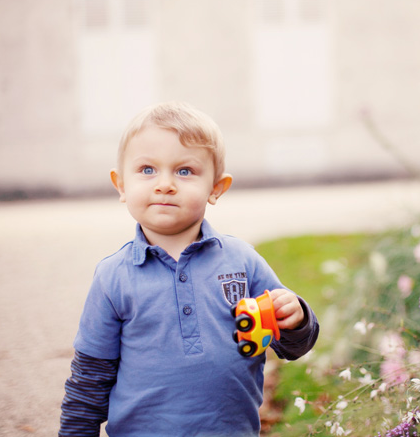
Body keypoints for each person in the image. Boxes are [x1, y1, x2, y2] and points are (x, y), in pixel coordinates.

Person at [59, 102, 319, 437]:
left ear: (216, 188)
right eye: (147, 170)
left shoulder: (242, 260)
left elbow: (294, 346)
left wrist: (295, 317)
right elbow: (89, 379)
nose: (165, 184)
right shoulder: (114, 276)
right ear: (121, 184)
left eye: (184, 171)